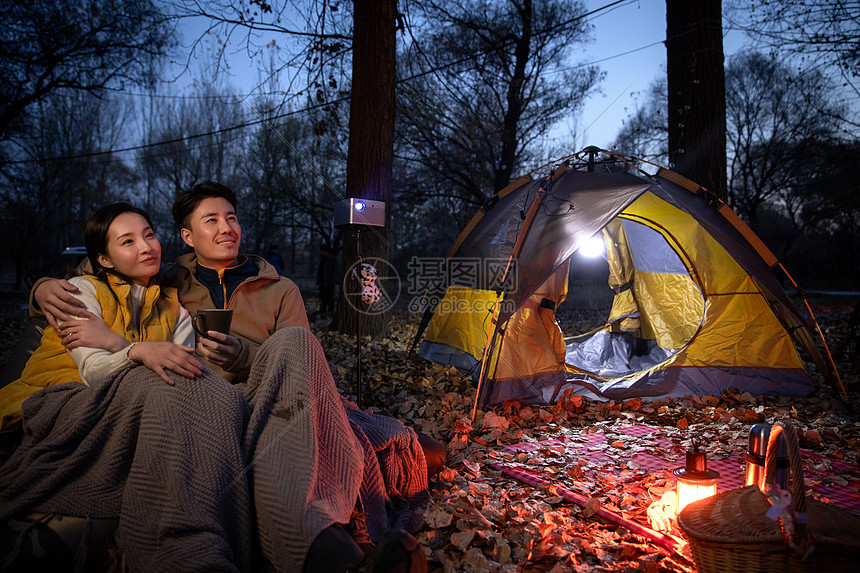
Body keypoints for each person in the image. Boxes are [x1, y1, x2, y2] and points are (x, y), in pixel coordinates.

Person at [29, 183, 441, 571]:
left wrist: (245, 356)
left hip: (275, 397)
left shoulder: (280, 289)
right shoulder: (166, 280)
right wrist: (42, 287)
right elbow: (103, 269)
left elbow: (304, 368)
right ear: (187, 236)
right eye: (211, 220)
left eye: (231, 218)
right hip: (202, 400)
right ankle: (313, 547)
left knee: (295, 341)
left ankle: (327, 544)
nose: (226, 228)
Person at [0, 203, 254, 571]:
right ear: (104, 258)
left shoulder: (173, 308)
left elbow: (184, 369)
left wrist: (121, 344)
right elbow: (94, 371)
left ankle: (198, 541)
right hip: (59, 398)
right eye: (128, 241)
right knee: (158, 380)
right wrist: (140, 350)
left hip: (131, 405)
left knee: (188, 387)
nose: (147, 246)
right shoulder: (81, 291)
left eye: (149, 234)